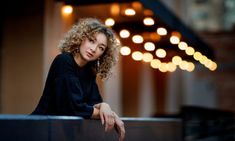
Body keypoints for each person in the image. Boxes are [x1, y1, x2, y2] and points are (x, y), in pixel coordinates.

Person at [32, 18, 125, 141]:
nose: (93, 49)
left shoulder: (89, 72)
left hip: (59, 133)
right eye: (91, 41)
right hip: (39, 130)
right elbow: (73, 107)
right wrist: (111, 115)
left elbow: (93, 105)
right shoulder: (64, 61)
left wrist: (105, 106)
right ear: (81, 38)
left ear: (103, 54)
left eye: (101, 48)